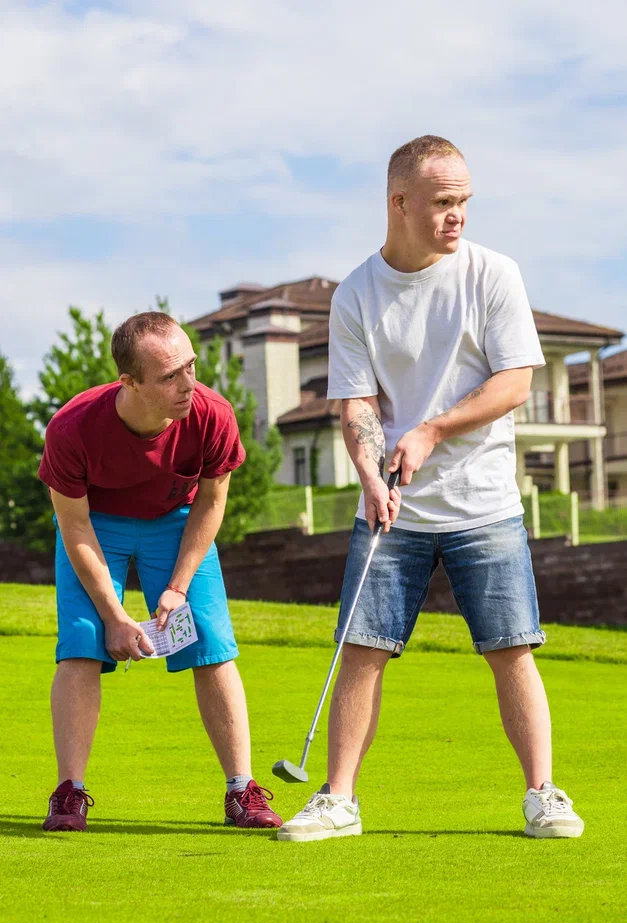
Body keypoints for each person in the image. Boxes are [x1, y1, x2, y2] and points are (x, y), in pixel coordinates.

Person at [278, 135, 584, 842]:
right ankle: (338, 799)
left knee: (511, 647)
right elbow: (354, 402)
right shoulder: (356, 293)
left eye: (464, 202)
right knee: (362, 648)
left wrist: (432, 431)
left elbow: (515, 381)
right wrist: (367, 473)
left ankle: (542, 792)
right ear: (399, 203)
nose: (457, 217)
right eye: (443, 203)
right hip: (393, 507)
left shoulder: (492, 274)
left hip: (484, 503)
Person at [38, 312, 282, 832]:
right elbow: (74, 527)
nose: (188, 384)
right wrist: (114, 614)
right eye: (170, 376)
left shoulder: (212, 413)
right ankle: (69, 793)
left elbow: (213, 503)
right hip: (97, 523)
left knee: (212, 643)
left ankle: (242, 790)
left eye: (191, 366)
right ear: (129, 382)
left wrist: (177, 587)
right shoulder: (72, 427)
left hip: (175, 520)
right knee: (82, 641)